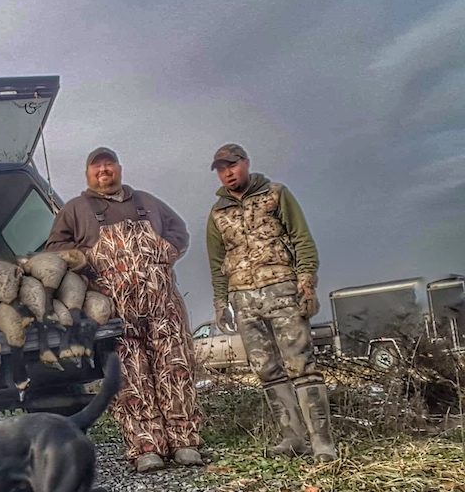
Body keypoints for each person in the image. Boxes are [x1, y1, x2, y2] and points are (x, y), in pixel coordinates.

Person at [45, 147, 203, 472]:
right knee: (132, 379)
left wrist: (168, 249)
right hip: (118, 313)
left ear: (119, 168)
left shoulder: (147, 201)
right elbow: (54, 248)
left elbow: (180, 230)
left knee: (175, 372)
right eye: (96, 166)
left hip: (164, 308)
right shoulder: (77, 209)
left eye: (109, 165)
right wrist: (86, 259)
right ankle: (146, 447)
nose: (104, 171)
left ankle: (185, 442)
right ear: (88, 174)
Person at [205, 143, 336, 462]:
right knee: (267, 370)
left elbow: (303, 240)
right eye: (221, 169)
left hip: (281, 289)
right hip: (244, 298)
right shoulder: (217, 214)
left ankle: (322, 443)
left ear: (246, 163)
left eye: (232, 165)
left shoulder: (276, 194)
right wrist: (222, 302)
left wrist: (306, 284)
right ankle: (293, 438)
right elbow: (217, 261)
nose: (227, 173)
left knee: (301, 365)